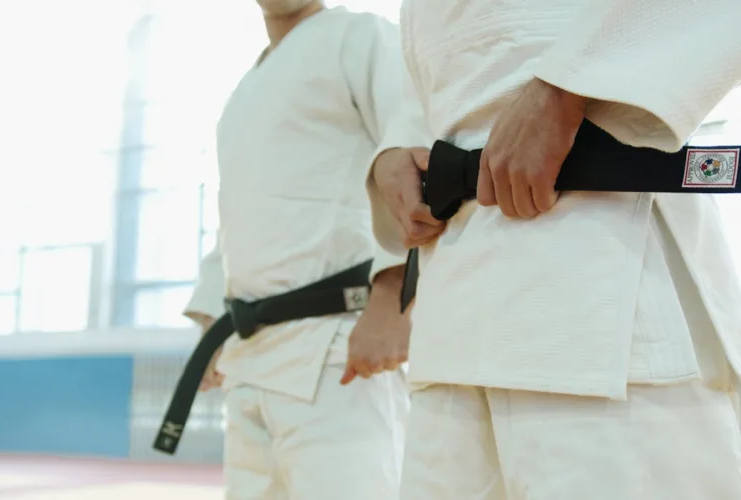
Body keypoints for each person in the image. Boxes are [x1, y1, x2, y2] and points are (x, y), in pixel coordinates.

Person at [367, 1, 741, 498]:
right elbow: (452, 66)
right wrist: (396, 153)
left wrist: (567, 85)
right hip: (451, 310)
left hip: (597, 272)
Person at [182, 1, 431, 499]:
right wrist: (212, 316)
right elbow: (238, 211)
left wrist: (392, 300)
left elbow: (410, 152)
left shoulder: (360, 37)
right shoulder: (243, 90)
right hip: (249, 356)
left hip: (337, 348)